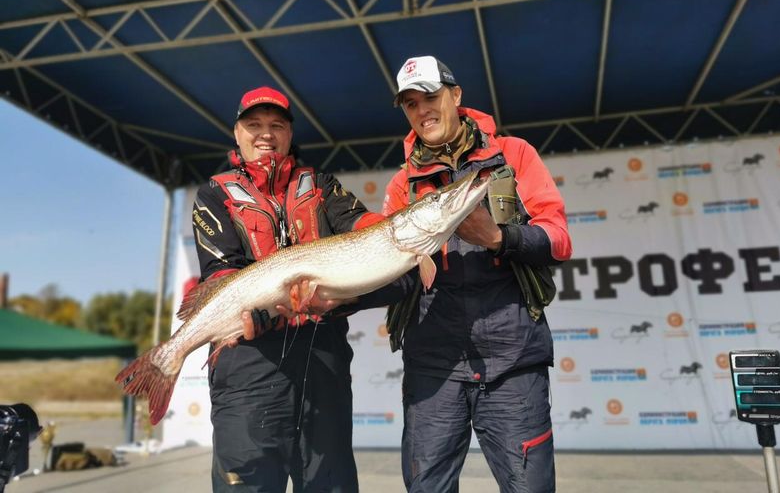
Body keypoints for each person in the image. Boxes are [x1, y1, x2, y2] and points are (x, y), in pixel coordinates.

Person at [382, 56, 572, 493]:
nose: (422, 110)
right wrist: (337, 294)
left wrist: (498, 238)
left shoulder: (514, 154)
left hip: (513, 362)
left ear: (455, 95)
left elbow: (559, 240)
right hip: (433, 365)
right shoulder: (402, 183)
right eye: (410, 104)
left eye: (430, 97)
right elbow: (396, 276)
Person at [191, 86, 383, 492]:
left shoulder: (321, 184)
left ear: (290, 134)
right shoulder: (214, 193)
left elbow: (365, 229)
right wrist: (262, 311)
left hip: (323, 363)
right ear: (237, 133)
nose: (266, 133)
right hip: (248, 368)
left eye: (277, 125)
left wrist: (396, 230)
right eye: (254, 124)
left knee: (330, 484)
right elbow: (220, 273)